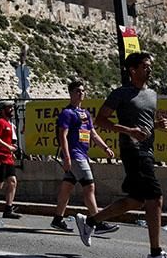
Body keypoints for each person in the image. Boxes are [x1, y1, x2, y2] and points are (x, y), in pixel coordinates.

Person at [77, 52, 167, 258]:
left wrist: (158, 125)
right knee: (155, 198)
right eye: (145, 66)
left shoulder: (153, 94)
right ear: (132, 70)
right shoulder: (121, 94)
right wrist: (128, 131)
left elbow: (146, 123)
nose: (149, 69)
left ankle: (90, 221)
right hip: (132, 151)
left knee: (136, 201)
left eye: (150, 66)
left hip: (148, 150)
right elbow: (100, 120)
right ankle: (155, 254)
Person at [50, 80, 118, 234]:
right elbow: (63, 136)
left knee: (67, 187)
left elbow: (93, 134)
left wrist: (105, 148)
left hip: (82, 154)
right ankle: (97, 221)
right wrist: (66, 157)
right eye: (77, 91)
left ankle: (57, 219)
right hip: (75, 156)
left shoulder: (85, 113)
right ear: (71, 93)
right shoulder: (67, 113)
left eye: (82, 91)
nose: (81, 93)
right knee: (89, 186)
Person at [0, 101, 22, 220]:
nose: (11, 110)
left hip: (8, 158)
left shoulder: (10, 124)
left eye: (12, 108)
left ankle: (8, 208)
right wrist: (8, 147)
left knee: (12, 181)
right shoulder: (0, 123)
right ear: (3, 110)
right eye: (9, 108)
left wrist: (12, 150)